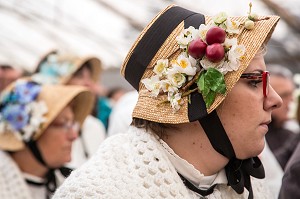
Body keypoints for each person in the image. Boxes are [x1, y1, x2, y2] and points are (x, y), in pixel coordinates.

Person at [53, 4, 282, 199]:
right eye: (254, 81)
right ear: (195, 96)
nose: (275, 100)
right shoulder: (98, 193)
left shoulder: (247, 183)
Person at [0, 79, 94, 199]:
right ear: (29, 135)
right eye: (63, 124)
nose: (73, 136)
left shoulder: (73, 184)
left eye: (72, 124)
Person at [31, 51, 106, 168]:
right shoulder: (39, 126)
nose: (89, 83)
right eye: (79, 76)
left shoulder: (94, 126)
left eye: (89, 77)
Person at [265, 64, 298, 168]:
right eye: (284, 95)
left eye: (292, 94)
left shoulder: (290, 132)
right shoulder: (256, 135)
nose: (292, 100)